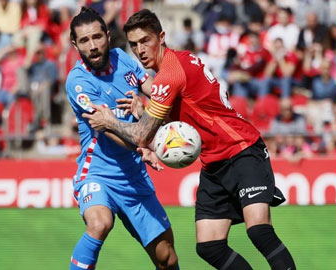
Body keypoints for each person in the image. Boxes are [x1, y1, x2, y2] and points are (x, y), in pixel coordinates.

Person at [83, 9, 296, 270]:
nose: (140, 50)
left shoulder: (169, 75)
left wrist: (109, 122)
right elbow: (183, 118)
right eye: (134, 44)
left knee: (259, 231)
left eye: (145, 41)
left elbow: (140, 136)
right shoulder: (179, 61)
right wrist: (145, 112)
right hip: (214, 163)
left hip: (242, 150)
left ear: (161, 37)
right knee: (209, 246)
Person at [65, 7, 179, 270]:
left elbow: (153, 90)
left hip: (134, 177)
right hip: (97, 173)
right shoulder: (78, 82)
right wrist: (144, 143)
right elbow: (106, 127)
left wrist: (166, 100)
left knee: (167, 258)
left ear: (108, 35)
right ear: (75, 44)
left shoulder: (122, 58)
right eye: (84, 40)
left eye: (97, 37)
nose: (92, 46)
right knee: (99, 223)